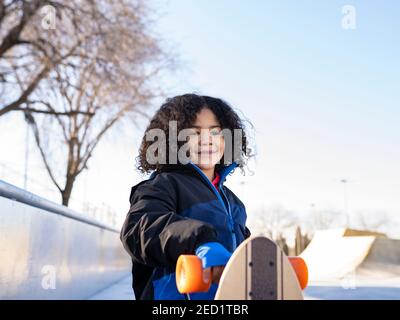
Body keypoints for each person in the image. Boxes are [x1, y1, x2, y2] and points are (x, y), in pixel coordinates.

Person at [120, 93, 252, 300]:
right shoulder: (161, 186)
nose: (207, 140)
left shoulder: (235, 203)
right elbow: (141, 228)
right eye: (194, 133)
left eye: (216, 131)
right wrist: (200, 241)